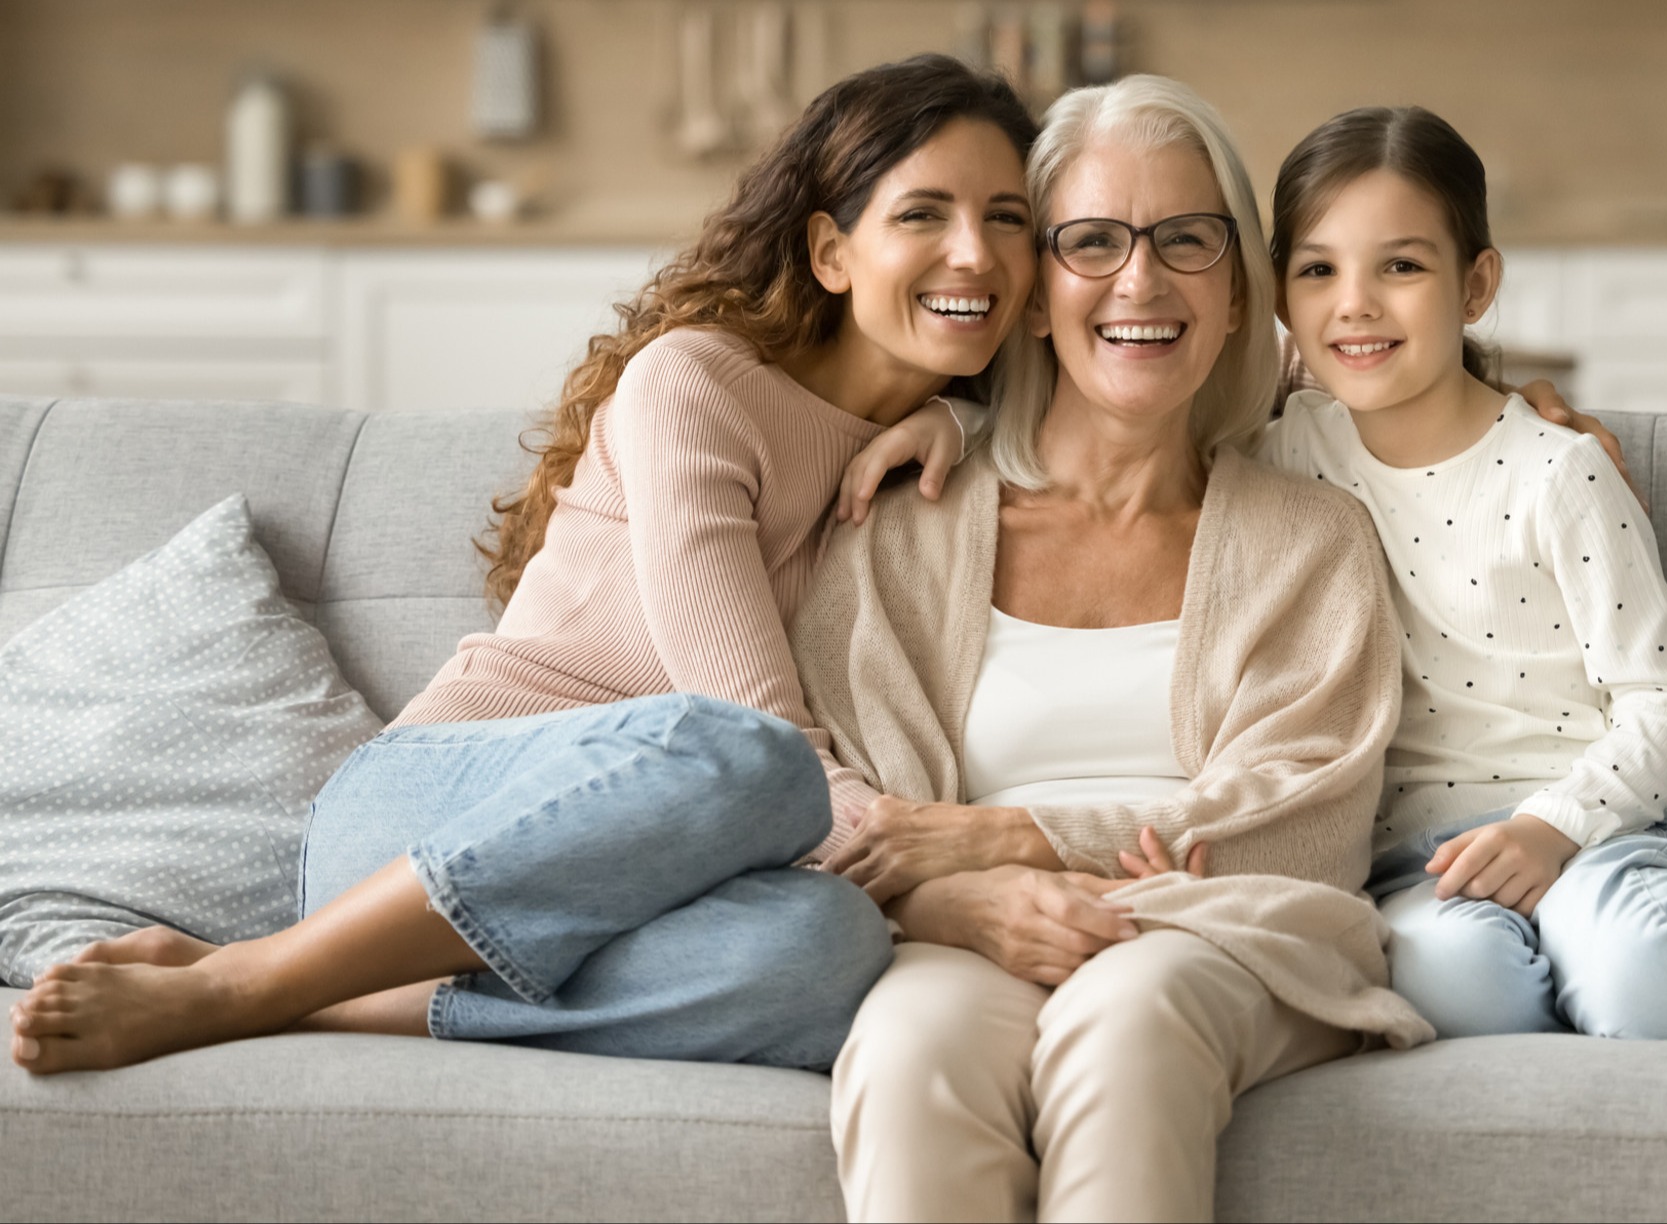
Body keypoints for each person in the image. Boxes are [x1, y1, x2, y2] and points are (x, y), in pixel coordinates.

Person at [8, 54, 1036, 1076]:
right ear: (829, 252)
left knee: (826, 952)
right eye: (922, 214)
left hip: (637, 877)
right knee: (750, 754)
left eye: (1006, 218)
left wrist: (960, 419)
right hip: (422, 818)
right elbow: (749, 722)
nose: (973, 254)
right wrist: (948, 857)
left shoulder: (955, 456)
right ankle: (257, 980)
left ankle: (294, 1000)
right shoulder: (696, 384)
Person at [802, 76, 1433, 1223]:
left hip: (1227, 930)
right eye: (1090, 241)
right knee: (905, 1047)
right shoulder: (903, 520)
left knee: (1124, 1019)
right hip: (967, 927)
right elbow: (844, 802)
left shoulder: (1313, 539)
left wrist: (1015, 835)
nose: (1139, 280)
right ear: (1035, 293)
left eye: (1187, 239)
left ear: (1238, 293)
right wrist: (959, 899)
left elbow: (1302, 819)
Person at [1265, 105, 1667, 1039]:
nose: (1354, 302)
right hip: (1419, 862)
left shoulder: (1559, 470)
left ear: (1476, 285)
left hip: (1591, 830)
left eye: (1401, 265)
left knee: (1660, 988)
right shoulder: (1281, 455)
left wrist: (1550, 828)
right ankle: (1574, 964)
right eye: (1319, 269)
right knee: (1458, 996)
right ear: (1279, 299)